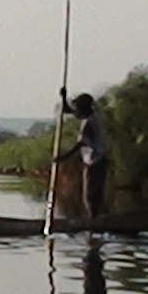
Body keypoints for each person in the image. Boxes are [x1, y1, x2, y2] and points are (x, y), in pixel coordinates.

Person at [54, 89, 110, 222]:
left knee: (90, 195)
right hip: (96, 160)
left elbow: (80, 144)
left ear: (83, 108)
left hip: (95, 162)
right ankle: (95, 221)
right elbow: (68, 111)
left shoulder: (88, 123)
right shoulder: (91, 115)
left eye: (77, 108)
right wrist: (64, 97)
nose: (76, 111)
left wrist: (62, 158)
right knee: (93, 194)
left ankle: (93, 223)